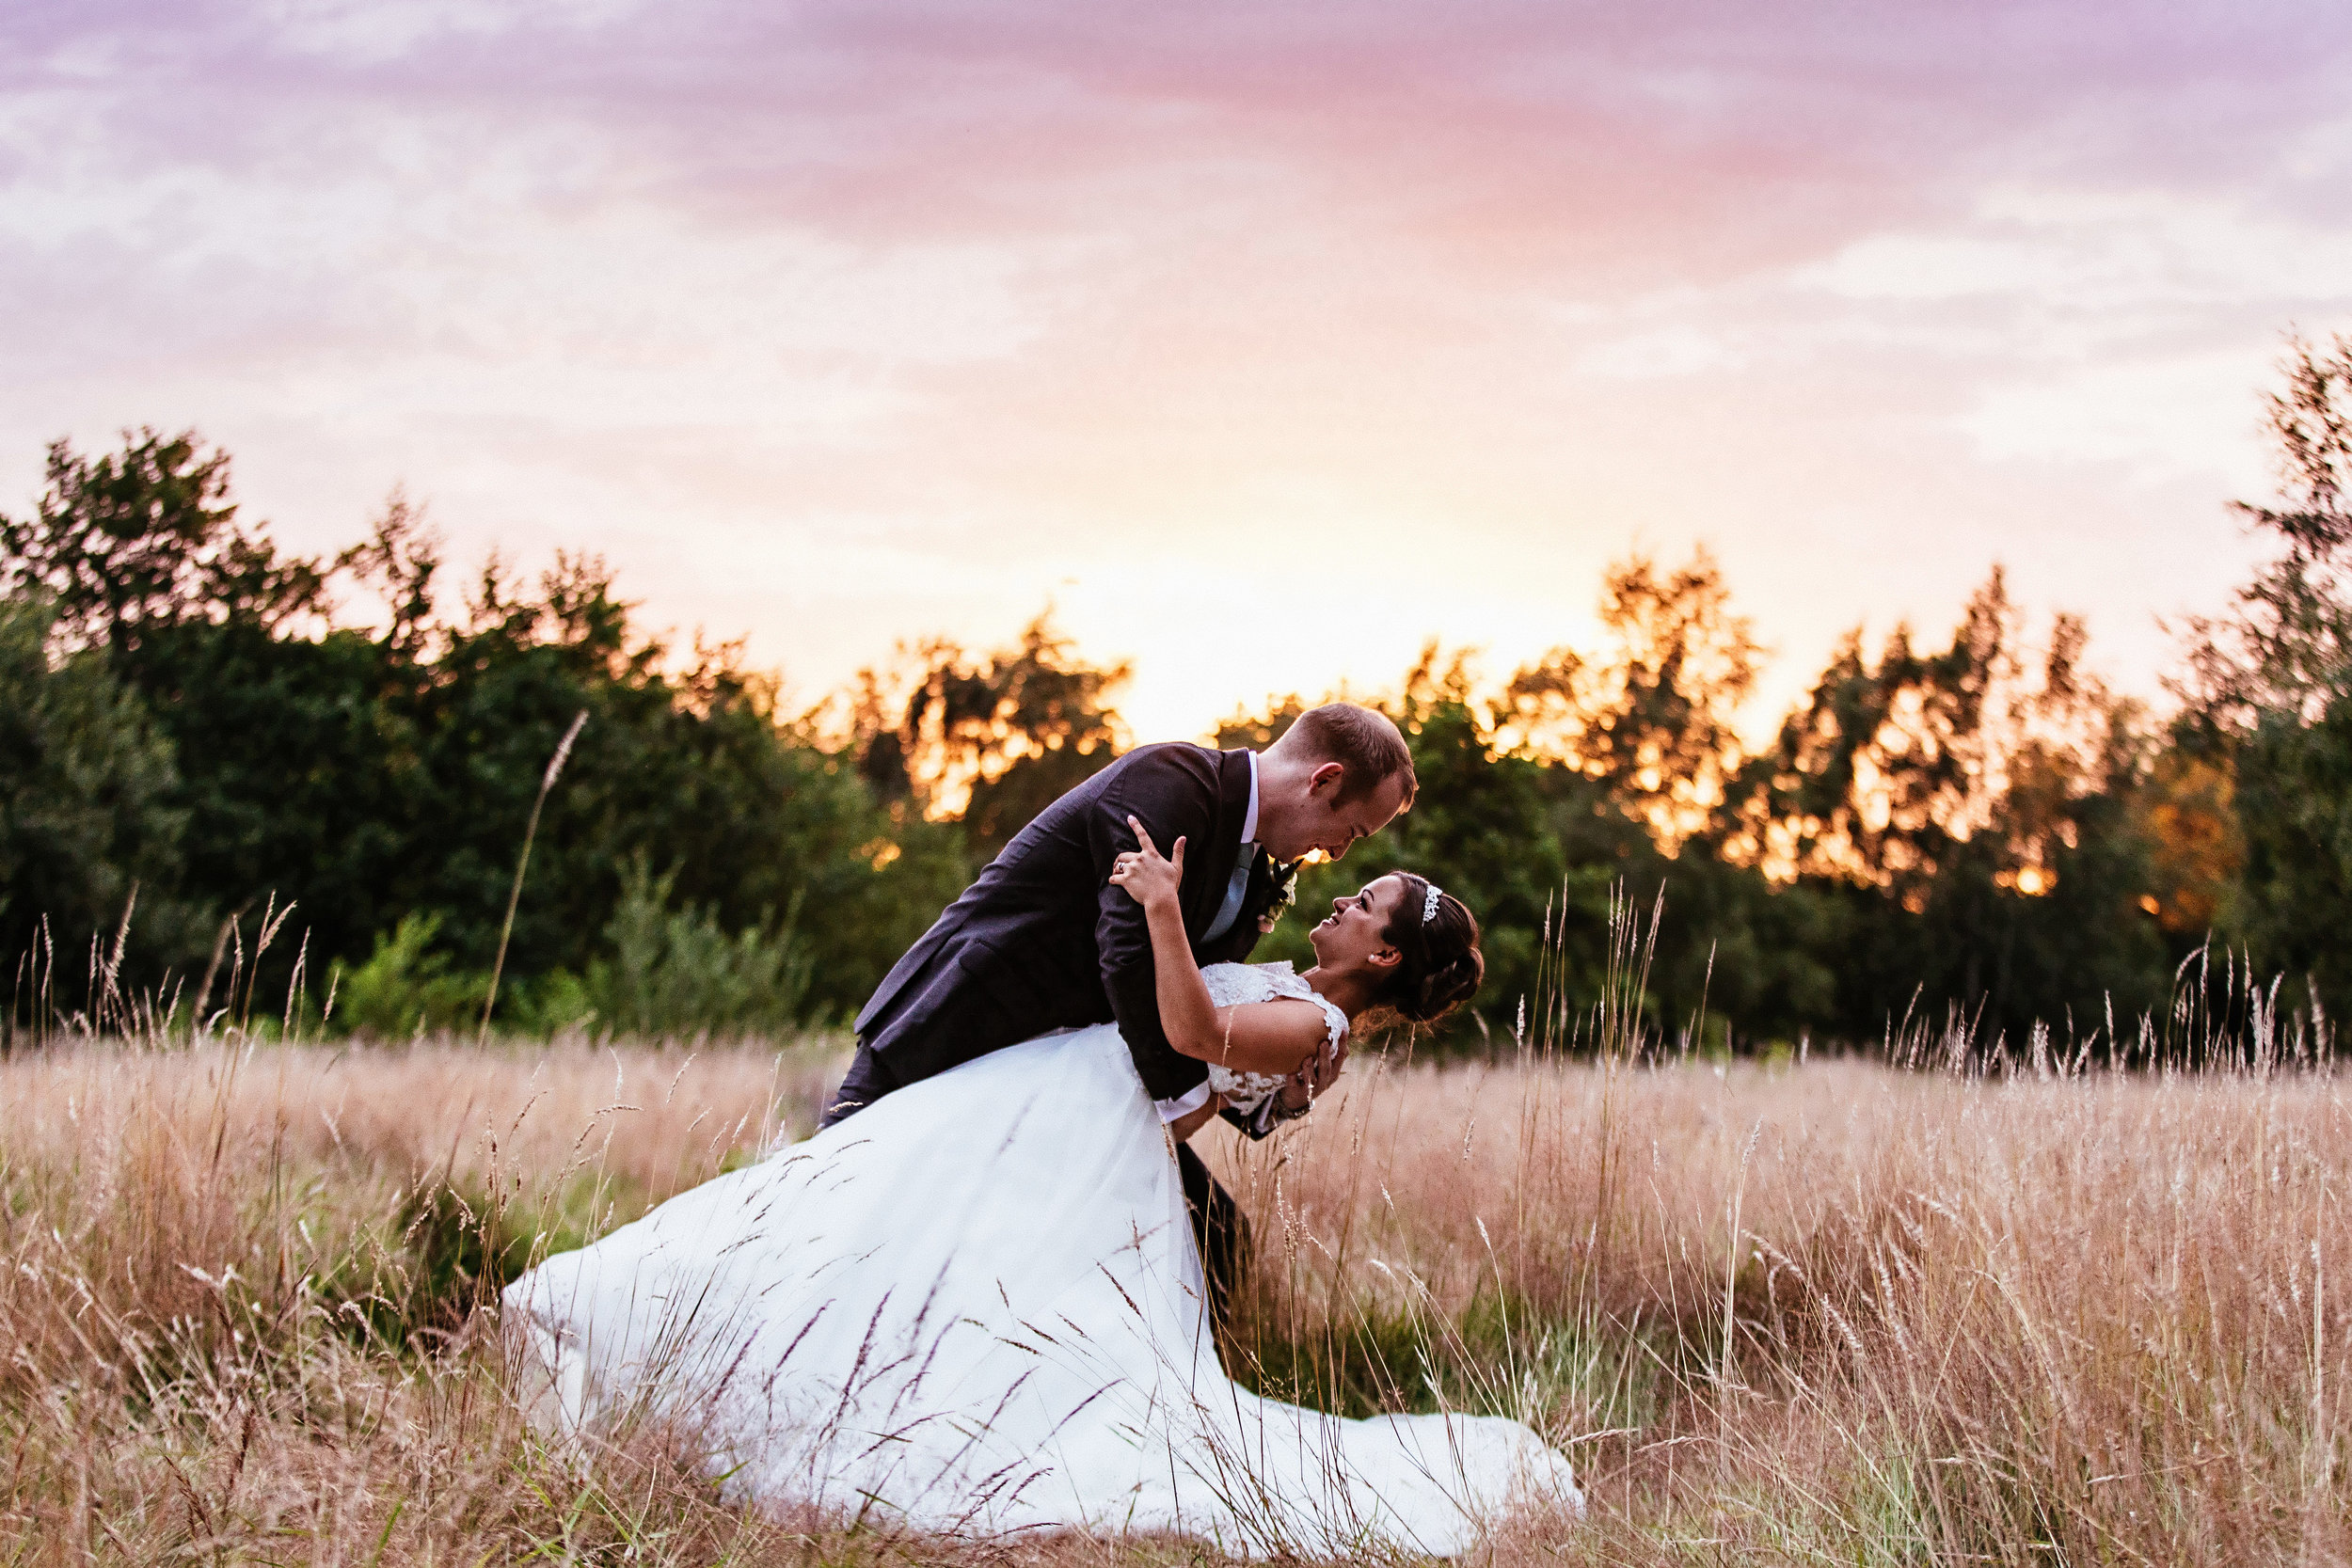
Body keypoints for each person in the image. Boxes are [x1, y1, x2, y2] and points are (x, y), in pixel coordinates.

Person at [502, 836, 1583, 1552]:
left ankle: (792, 1397)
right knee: (880, 1214)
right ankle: (699, 1342)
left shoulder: (1315, 1026)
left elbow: (1197, 1036)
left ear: (1382, 950)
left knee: (917, 1236)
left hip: (1088, 1117)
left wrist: (1162, 905)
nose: (1341, 901)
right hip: (1071, 1101)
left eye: (1363, 903)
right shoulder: (1304, 1006)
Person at [824, 704, 1417, 1324]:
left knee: (1217, 1238)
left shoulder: (1259, 868)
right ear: (1322, 780)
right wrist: (1183, 1104)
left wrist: (1278, 1095)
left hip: (1066, 1077)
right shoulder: (1172, 782)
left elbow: (1192, 997)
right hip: (962, 1021)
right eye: (1350, 830)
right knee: (841, 1207)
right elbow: (1128, 952)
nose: (1339, 852)